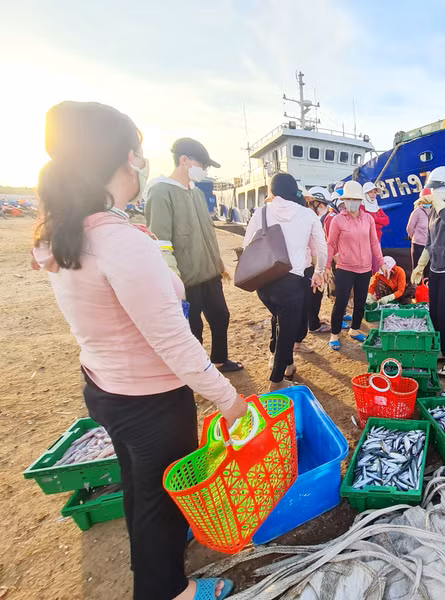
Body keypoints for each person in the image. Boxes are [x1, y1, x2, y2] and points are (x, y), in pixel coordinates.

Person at [34, 101, 245, 600]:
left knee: (139, 486)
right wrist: (228, 400)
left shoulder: (70, 228)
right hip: (151, 398)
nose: (140, 162)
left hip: (106, 387)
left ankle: (155, 561)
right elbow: (173, 338)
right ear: (121, 159)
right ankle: (170, 589)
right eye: (137, 151)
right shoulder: (118, 241)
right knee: (159, 498)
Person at [145, 137, 243, 373]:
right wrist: (173, 279)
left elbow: (208, 235)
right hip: (186, 279)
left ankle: (220, 359)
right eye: (203, 165)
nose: (204, 171)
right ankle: (196, 370)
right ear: (184, 160)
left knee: (221, 316)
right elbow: (160, 241)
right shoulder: (160, 192)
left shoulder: (197, 193)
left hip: (210, 274)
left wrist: (219, 266)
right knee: (192, 326)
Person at [243, 173, 326, 391]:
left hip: (264, 283)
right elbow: (322, 249)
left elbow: (247, 244)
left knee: (280, 323)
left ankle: (287, 364)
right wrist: (318, 272)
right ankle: (276, 380)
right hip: (292, 283)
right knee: (286, 332)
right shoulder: (308, 215)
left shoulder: (261, 212)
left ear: (272, 192)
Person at [410, 167, 445, 377]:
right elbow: (429, 242)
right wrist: (420, 265)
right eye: (432, 189)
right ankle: (443, 350)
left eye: (437, 188)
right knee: (433, 312)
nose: (434, 193)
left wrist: (435, 201)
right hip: (436, 269)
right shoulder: (434, 210)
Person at [325, 181, 386, 350]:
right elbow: (331, 244)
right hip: (345, 268)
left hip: (365, 268)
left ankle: (354, 329)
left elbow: (374, 242)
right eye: (349, 199)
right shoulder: (337, 220)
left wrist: (381, 262)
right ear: (344, 201)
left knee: (360, 301)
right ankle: (334, 334)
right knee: (341, 302)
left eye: (356, 199)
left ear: (361, 201)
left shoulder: (368, 219)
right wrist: (327, 266)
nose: (353, 202)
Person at [304, 186, 334, 333]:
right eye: (322, 204)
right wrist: (321, 269)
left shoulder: (306, 216)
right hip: (311, 262)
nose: (324, 208)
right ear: (314, 203)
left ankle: (313, 320)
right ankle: (313, 324)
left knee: (315, 294)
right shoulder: (309, 218)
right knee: (314, 293)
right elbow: (317, 246)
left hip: (312, 261)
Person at [406, 196, 431, 270]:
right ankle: (417, 281)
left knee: (428, 269)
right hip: (418, 245)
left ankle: (426, 281)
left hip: (430, 245)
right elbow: (410, 228)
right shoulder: (417, 211)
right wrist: (414, 237)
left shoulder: (434, 211)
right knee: (417, 269)